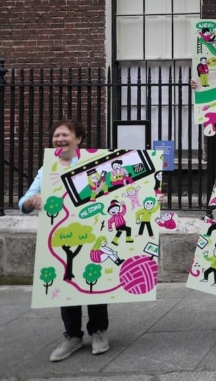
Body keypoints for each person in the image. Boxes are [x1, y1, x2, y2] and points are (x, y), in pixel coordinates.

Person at [18, 119, 111, 362]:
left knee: (94, 280)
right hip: (62, 237)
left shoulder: (93, 162)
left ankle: (98, 331)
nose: (60, 139)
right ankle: (72, 335)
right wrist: (32, 201)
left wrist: (152, 194)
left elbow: (117, 189)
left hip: (92, 232)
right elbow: (25, 200)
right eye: (56, 135)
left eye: (65, 134)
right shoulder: (47, 169)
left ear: (78, 139)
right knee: (66, 282)